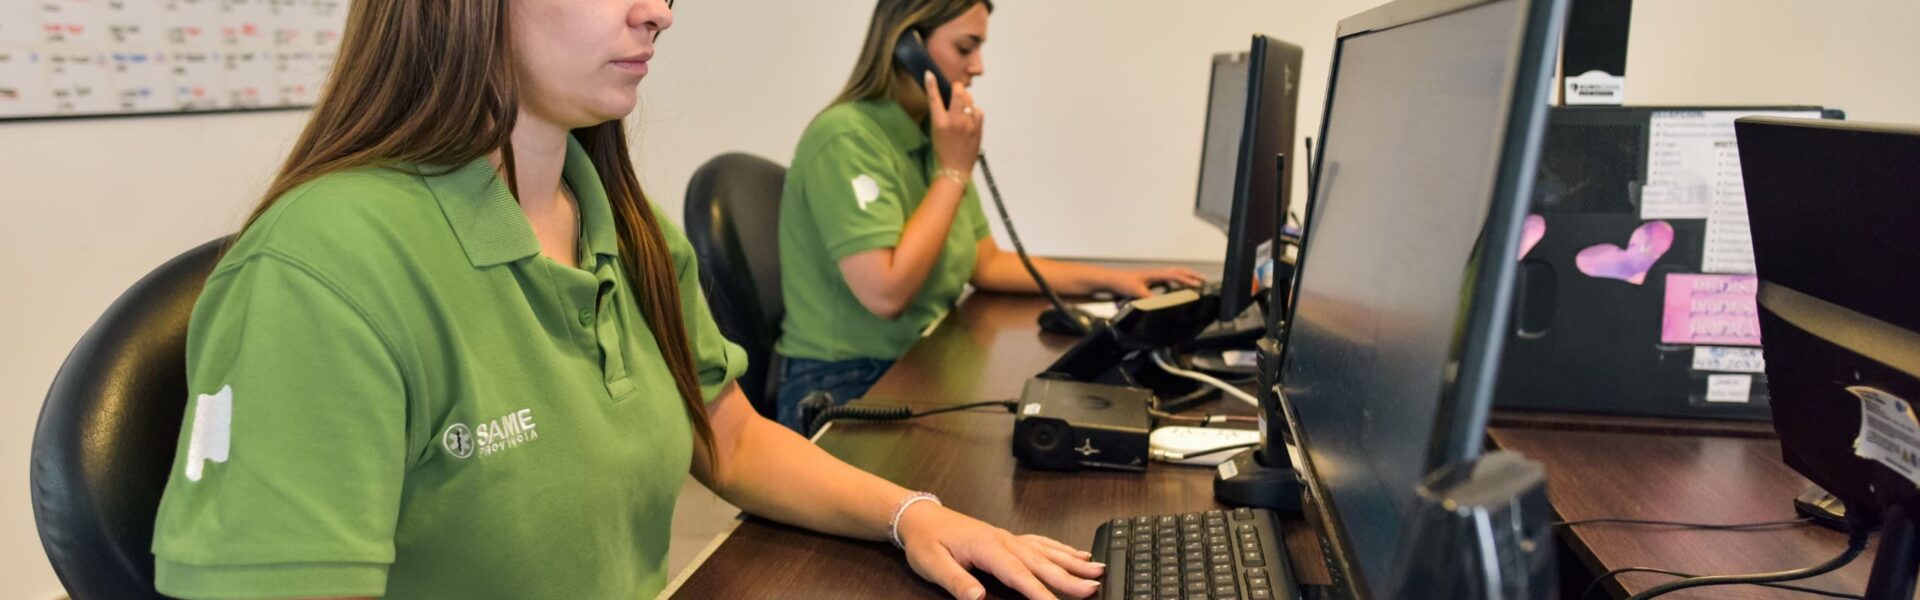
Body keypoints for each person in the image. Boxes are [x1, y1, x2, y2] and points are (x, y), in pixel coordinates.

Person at [147, 0, 1103, 598]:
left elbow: (729, 437)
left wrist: (916, 515)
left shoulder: (623, 224)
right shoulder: (323, 270)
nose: (660, 13)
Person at [775, 0, 1204, 430]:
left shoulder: (930, 132)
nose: (978, 67)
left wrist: (1111, 280)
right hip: (844, 381)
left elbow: (986, 261)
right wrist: (953, 171)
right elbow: (885, 294)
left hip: (921, 361)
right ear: (907, 47)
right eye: (965, 48)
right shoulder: (846, 138)